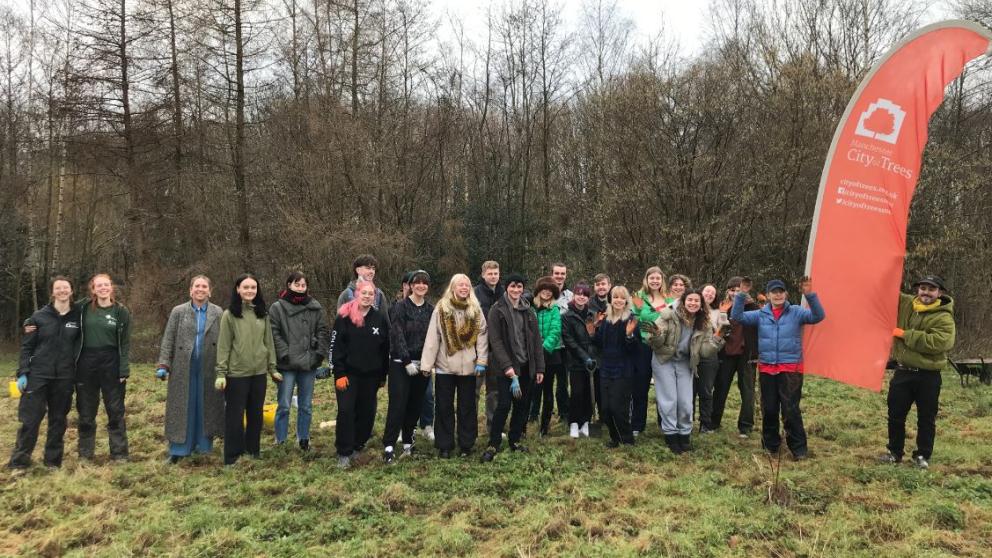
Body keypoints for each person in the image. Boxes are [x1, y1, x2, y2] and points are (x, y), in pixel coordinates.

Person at [732, 277, 824, 461]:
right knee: (770, 408)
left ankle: (799, 449)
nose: (778, 295)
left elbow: (818, 316)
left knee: (790, 409)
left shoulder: (797, 312)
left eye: (781, 291)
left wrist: (809, 295)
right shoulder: (761, 314)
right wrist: (741, 294)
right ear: (767, 296)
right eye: (774, 292)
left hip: (791, 369)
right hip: (767, 368)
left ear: (786, 294)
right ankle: (771, 446)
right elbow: (737, 317)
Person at [880, 275, 955, 470]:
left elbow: (939, 342)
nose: (926, 293)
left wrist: (906, 335)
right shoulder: (907, 304)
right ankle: (895, 452)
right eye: (923, 288)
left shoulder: (944, 317)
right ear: (917, 290)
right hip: (903, 372)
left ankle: (922, 455)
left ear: (939, 293)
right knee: (895, 414)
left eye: (931, 289)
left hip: (928, 376)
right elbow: (885, 291)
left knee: (926, 418)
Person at [8, 276, 81, 470]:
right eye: (58, 288)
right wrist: (23, 372)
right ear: (52, 292)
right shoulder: (38, 317)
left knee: (58, 421)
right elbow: (26, 347)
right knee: (30, 420)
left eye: (66, 288)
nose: (62, 291)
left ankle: (52, 463)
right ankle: (19, 463)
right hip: (38, 376)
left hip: (65, 378)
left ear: (71, 291)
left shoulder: (78, 317)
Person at [156, 275, 225, 463]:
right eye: (197, 286)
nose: (200, 289)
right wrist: (164, 364)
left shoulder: (218, 312)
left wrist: (224, 368)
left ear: (210, 291)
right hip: (183, 367)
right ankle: (178, 450)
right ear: (190, 290)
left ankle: (204, 447)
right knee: (183, 407)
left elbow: (225, 341)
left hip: (209, 367)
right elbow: (168, 338)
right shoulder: (178, 312)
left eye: (204, 286)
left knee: (206, 405)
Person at [647, 289, 725, 454]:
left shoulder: (704, 323)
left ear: (701, 304)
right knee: (670, 400)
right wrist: (656, 334)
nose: (693, 303)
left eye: (697, 301)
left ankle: (684, 433)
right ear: (683, 301)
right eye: (690, 300)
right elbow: (656, 344)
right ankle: (670, 434)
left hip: (684, 362)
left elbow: (703, 351)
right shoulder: (669, 315)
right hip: (664, 359)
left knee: (685, 402)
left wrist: (716, 340)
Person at [420, 273, 489, 458]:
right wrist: (427, 364)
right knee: (444, 406)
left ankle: (466, 444)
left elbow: (482, 336)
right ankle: (445, 445)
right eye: (460, 285)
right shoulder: (442, 309)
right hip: (445, 366)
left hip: (469, 367)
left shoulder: (475, 309)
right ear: (453, 288)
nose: (464, 288)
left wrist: (482, 361)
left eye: (467, 285)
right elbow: (433, 338)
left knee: (467, 407)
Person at [481, 274, 545, 462]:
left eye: (519, 287)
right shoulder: (497, 310)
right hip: (505, 368)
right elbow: (496, 341)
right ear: (506, 287)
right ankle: (493, 443)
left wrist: (540, 368)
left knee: (522, 405)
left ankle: (515, 440)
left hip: (526, 367)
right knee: (503, 405)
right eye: (512, 286)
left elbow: (536, 342)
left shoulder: (528, 310)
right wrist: (508, 368)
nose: (516, 290)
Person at [216, 274, 278, 466]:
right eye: (246, 287)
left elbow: (268, 342)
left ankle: (253, 451)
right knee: (234, 416)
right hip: (236, 374)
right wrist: (221, 373)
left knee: (255, 414)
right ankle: (232, 456)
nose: (250, 291)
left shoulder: (262, 314)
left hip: (258, 373)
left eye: (253, 287)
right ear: (238, 289)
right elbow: (224, 345)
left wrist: (272, 368)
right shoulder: (229, 315)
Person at [330, 278, 390, 469]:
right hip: (347, 375)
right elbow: (336, 347)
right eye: (363, 293)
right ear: (357, 294)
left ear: (375, 297)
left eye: (370, 294)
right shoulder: (344, 316)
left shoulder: (379, 318)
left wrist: (383, 375)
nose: (367, 296)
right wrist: (338, 373)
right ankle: (344, 451)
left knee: (367, 413)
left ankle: (358, 445)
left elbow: (385, 348)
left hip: (371, 376)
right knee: (346, 411)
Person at [269, 271, 331, 451]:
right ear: (289, 285)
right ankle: (280, 441)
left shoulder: (315, 307)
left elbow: (322, 330)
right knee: (284, 405)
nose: (300, 288)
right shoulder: (277, 308)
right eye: (297, 284)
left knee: (306, 405)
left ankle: (303, 439)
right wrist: (284, 353)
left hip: (308, 364)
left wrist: (319, 354)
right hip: (286, 364)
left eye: (303, 285)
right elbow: (274, 332)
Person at [76, 273, 132, 462]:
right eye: (98, 285)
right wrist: (31, 321)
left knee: (115, 410)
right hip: (86, 362)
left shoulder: (121, 311)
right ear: (93, 289)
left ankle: (119, 453)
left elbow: (124, 343)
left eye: (106, 285)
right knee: (86, 410)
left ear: (111, 287)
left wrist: (124, 369)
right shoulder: (82, 308)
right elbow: (57, 311)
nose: (102, 288)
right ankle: (85, 453)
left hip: (112, 362)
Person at [383, 270, 435, 462]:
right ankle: (389, 445)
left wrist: (428, 362)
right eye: (417, 283)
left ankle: (408, 442)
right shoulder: (400, 307)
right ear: (410, 285)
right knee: (398, 404)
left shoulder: (431, 309)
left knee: (415, 405)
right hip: (401, 364)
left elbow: (433, 338)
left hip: (422, 365)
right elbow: (397, 334)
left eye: (425, 283)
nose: (421, 286)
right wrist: (405, 361)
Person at [592, 286, 639, 447]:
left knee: (618, 407)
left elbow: (634, 349)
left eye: (622, 297)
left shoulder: (631, 319)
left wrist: (629, 335)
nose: (618, 300)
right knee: (605, 408)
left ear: (626, 300)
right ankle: (614, 438)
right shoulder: (605, 319)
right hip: (606, 368)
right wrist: (594, 328)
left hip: (623, 369)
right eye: (615, 297)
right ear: (611, 299)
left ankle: (627, 439)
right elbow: (598, 343)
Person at [711, 277, 758, 438]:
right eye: (732, 290)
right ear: (727, 291)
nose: (735, 293)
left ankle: (745, 426)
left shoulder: (752, 307)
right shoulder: (722, 307)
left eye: (739, 290)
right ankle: (713, 421)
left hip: (747, 354)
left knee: (747, 390)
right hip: (726, 351)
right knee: (720, 388)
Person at [630, 266, 669, 436]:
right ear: (646, 279)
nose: (654, 281)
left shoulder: (669, 299)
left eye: (657, 278)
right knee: (640, 386)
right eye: (651, 278)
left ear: (662, 280)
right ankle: (638, 423)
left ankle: (664, 423)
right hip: (643, 347)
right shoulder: (638, 297)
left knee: (663, 386)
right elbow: (633, 318)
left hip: (662, 347)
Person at [562, 282, 596, 438]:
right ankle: (574, 423)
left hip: (592, 362)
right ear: (574, 295)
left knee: (589, 393)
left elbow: (596, 338)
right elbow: (569, 341)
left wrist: (593, 356)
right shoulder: (567, 316)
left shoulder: (592, 315)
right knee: (576, 392)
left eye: (585, 295)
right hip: (576, 361)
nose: (581, 297)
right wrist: (584, 357)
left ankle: (586, 422)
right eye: (579, 294)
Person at [474, 260, 504, 431]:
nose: (493, 277)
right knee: (474, 391)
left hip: (497, 349)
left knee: (494, 391)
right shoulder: (475, 293)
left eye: (496, 273)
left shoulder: (504, 292)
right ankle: (470, 426)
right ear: (483, 274)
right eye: (490, 274)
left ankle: (493, 426)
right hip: (478, 349)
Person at [696, 284, 729, 434]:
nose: (709, 294)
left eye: (713, 293)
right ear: (700, 292)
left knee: (706, 390)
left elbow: (723, 329)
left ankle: (705, 423)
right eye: (707, 291)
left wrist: (722, 314)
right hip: (691, 354)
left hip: (709, 355)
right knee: (689, 391)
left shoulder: (717, 312)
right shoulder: (692, 306)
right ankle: (686, 421)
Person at [532, 276, 564, 436]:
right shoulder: (531, 308)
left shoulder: (555, 310)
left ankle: (545, 426)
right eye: (544, 289)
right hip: (533, 355)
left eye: (550, 290)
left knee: (547, 391)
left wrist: (544, 349)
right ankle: (529, 418)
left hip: (550, 355)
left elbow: (555, 331)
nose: (546, 292)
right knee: (533, 389)